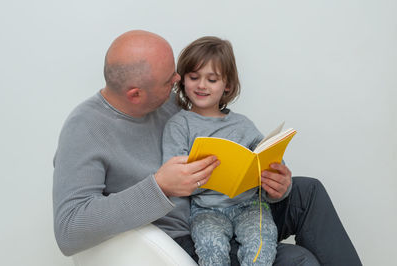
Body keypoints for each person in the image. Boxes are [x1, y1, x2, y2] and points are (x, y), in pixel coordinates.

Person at [53, 30, 362, 265]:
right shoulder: (85, 129)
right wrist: (159, 187)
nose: (178, 82)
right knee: (299, 260)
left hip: (232, 203)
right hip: (189, 233)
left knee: (307, 192)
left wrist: (273, 182)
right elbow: (69, 231)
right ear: (135, 94)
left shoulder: (166, 103)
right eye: (169, 81)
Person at [162, 36, 281, 265]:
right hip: (207, 209)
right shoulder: (179, 125)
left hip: (250, 205)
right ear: (183, 80)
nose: (202, 85)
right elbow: (174, 174)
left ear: (226, 84)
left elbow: (265, 162)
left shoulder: (243, 124)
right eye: (194, 77)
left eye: (212, 79)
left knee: (262, 249)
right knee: (211, 251)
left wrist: (275, 173)